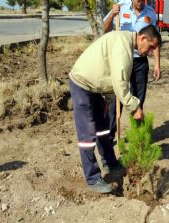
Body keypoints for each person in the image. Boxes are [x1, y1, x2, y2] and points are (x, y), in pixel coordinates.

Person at [69, 25, 161, 193]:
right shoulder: (123, 48)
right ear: (142, 38)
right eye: (150, 47)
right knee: (87, 134)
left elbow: (113, 78)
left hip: (95, 88)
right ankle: (93, 178)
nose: (150, 52)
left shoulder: (126, 43)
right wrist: (135, 107)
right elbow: (120, 84)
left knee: (103, 128)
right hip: (82, 84)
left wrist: (108, 101)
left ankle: (110, 162)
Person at [103, 0, 161, 142]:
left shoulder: (151, 13)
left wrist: (157, 64)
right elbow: (104, 30)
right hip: (121, 59)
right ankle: (110, 135)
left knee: (138, 99)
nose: (140, 2)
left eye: (142, 0)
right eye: (137, 0)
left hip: (140, 62)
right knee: (117, 97)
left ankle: (137, 136)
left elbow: (155, 40)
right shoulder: (120, 7)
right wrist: (111, 15)